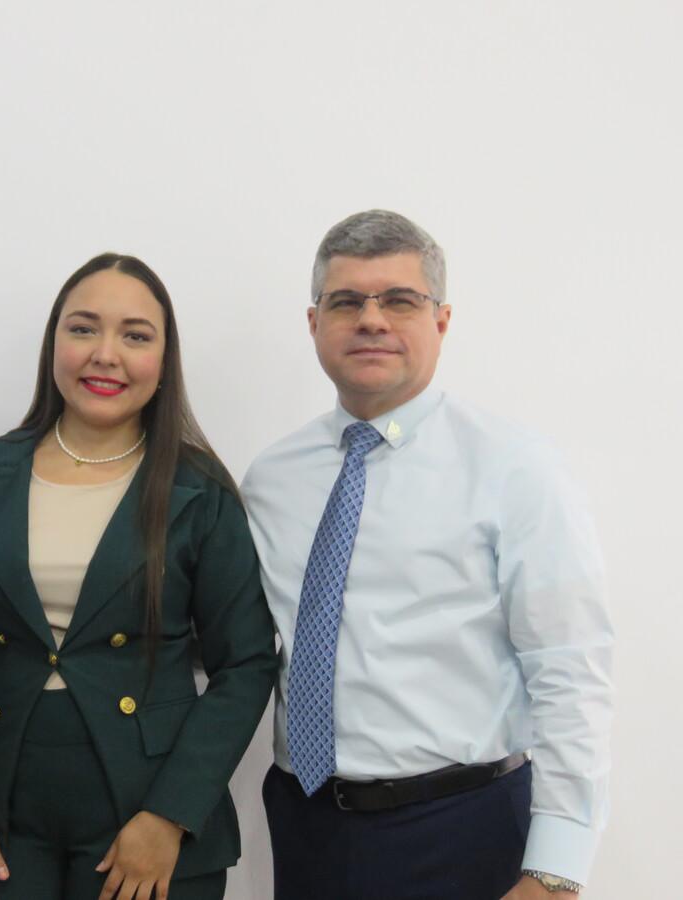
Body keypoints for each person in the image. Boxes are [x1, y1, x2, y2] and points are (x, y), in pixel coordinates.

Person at [242, 209, 614, 899]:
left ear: (441, 321)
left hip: (463, 827)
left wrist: (556, 870)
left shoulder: (515, 469)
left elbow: (571, 670)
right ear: (314, 322)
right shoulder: (271, 478)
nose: (372, 320)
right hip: (306, 825)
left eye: (400, 301)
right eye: (347, 301)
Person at [0, 253, 276, 900]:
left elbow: (246, 664)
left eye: (135, 336)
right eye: (83, 329)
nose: (105, 354)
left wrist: (170, 816)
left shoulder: (199, 489)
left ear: (164, 362)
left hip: (151, 817)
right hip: (0, 818)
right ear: (54, 344)